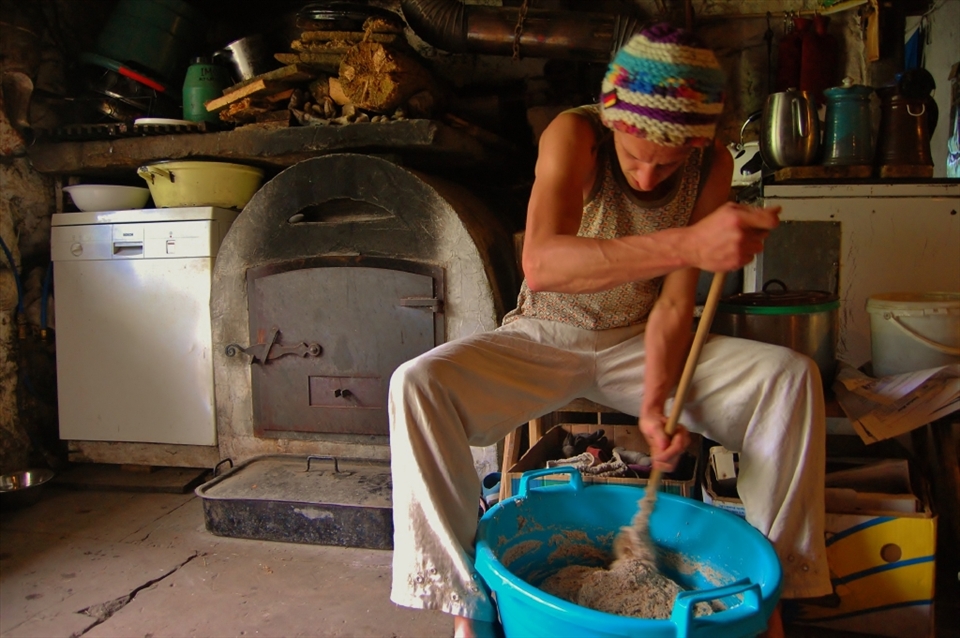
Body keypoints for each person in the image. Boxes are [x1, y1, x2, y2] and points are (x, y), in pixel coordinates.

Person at [388, 22, 831, 638]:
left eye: (666, 162)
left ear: (697, 144)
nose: (648, 177)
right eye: (635, 157)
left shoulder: (712, 165)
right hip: (546, 334)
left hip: (638, 342)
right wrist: (688, 240)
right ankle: (468, 601)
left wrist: (655, 403)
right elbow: (541, 263)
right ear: (612, 120)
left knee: (790, 379)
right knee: (416, 384)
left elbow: (676, 304)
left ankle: (774, 593)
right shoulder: (575, 134)